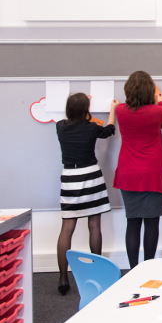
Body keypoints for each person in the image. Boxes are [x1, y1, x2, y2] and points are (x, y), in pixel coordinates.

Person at [55, 93, 118, 295]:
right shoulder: (91, 128)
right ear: (86, 109)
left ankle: (63, 278)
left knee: (67, 228)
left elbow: (74, 120)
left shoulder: (60, 126)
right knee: (94, 225)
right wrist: (113, 110)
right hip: (91, 175)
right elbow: (109, 130)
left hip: (70, 176)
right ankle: (96, 271)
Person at [114, 71, 162, 269]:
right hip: (152, 172)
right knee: (152, 223)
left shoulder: (120, 110)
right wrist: (161, 102)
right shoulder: (158, 111)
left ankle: (132, 269)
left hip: (128, 172)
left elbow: (124, 110)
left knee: (133, 222)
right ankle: (148, 268)